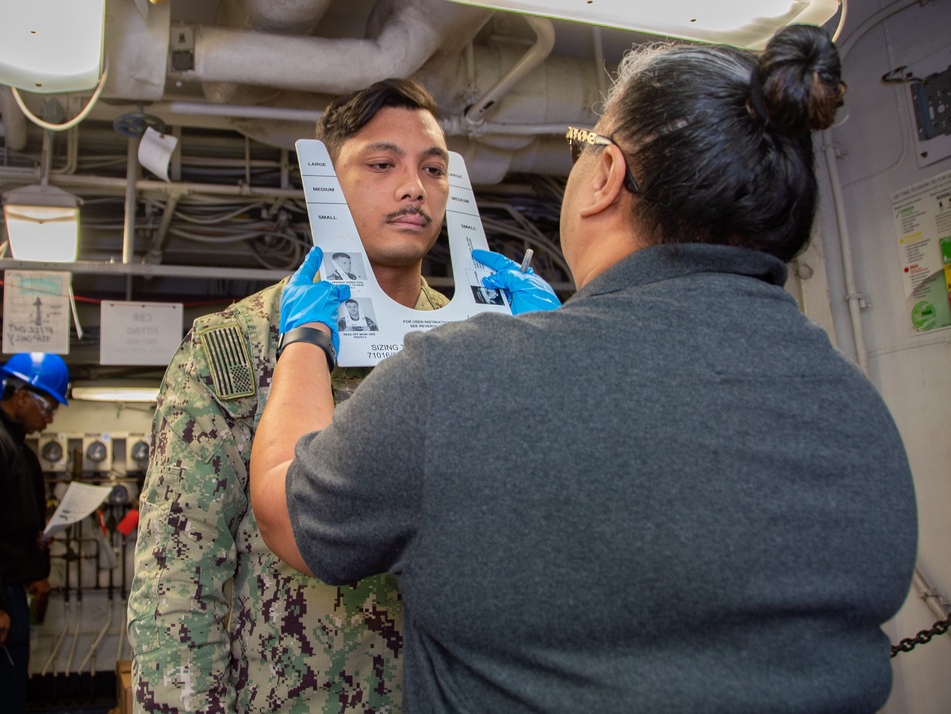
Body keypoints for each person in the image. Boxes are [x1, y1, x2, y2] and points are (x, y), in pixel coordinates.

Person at [250, 25, 918, 713]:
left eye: (582, 148)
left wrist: (305, 337)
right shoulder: (860, 413)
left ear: (604, 177)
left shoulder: (453, 381)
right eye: (382, 165)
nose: (413, 189)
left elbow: (285, 507)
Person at [127, 77, 453, 712]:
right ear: (326, 188)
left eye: (433, 168)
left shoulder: (469, 346)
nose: (414, 186)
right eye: (382, 164)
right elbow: (179, 583)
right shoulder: (235, 351)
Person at [0, 352, 69, 713]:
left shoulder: (14, 444)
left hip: (12, 589)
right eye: (47, 408)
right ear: (21, 397)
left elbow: (13, 521)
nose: (48, 420)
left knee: (10, 690)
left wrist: (36, 569)